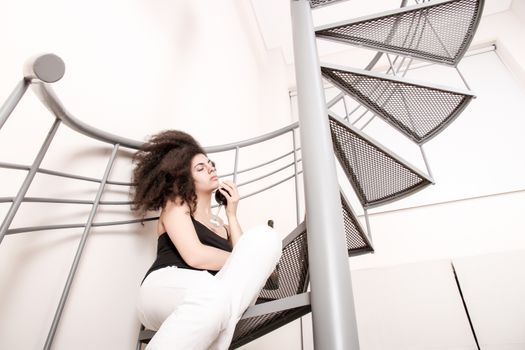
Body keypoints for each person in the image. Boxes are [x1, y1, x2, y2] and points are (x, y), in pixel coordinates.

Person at [131, 130, 282, 350]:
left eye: (210, 164)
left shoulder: (224, 228)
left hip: (215, 304)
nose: (211, 168)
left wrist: (231, 213)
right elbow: (196, 257)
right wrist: (243, 258)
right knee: (214, 294)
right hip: (164, 289)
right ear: (184, 177)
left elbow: (256, 271)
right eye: (200, 168)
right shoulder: (177, 205)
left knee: (265, 236)